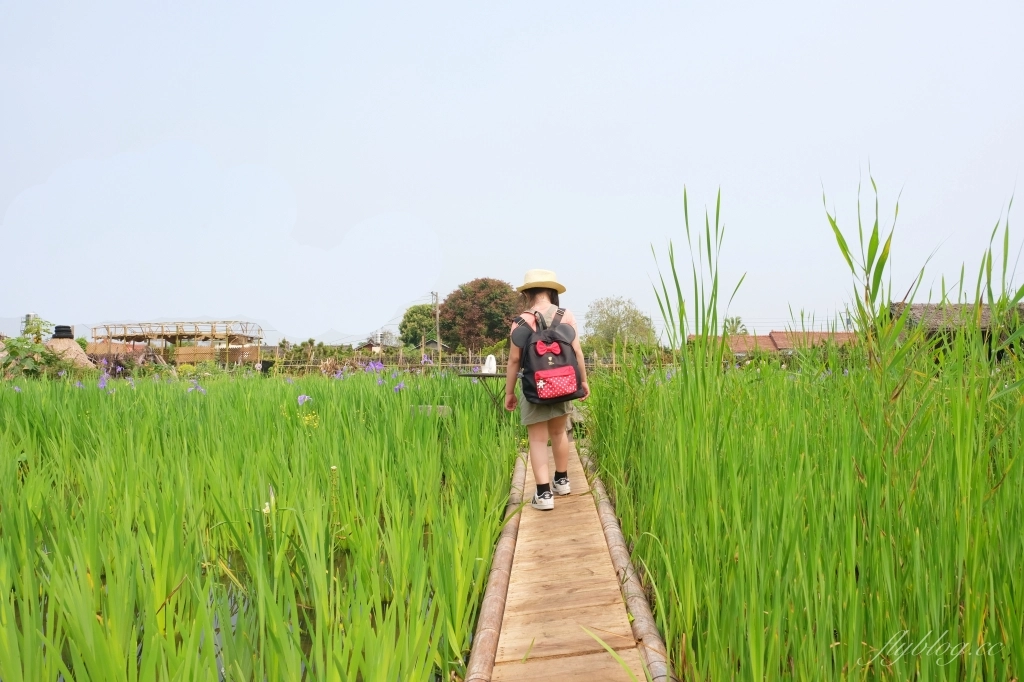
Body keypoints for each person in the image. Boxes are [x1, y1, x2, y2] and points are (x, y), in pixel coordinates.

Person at [504, 269, 590, 510]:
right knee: (560, 433)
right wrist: (583, 382)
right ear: (552, 291)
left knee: (538, 440)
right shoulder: (566, 315)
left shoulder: (521, 321)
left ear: (527, 293)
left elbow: (513, 361)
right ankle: (562, 481)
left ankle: (543, 495)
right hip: (564, 383)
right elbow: (577, 352)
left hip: (534, 386)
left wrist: (510, 392)